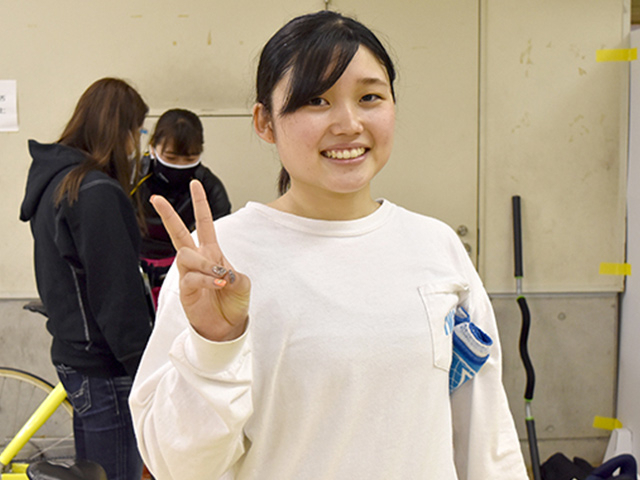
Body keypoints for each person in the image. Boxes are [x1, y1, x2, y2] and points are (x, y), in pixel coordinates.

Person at [130, 11, 528, 480]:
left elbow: (484, 437)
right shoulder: (217, 261)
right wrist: (214, 345)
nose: (349, 123)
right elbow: (176, 466)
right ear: (264, 122)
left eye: (370, 97)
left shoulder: (436, 247)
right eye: (316, 100)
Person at [19, 77, 153, 480]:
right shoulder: (96, 191)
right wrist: (145, 367)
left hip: (76, 356)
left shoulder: (59, 182)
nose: (137, 144)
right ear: (120, 130)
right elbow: (118, 296)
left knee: (92, 471)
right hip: (105, 366)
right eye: (137, 131)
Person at [132, 108, 231, 306]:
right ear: (153, 147)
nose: (179, 165)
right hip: (135, 265)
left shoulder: (209, 186)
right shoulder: (133, 178)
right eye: (170, 157)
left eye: (189, 159)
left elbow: (222, 235)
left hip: (183, 268)